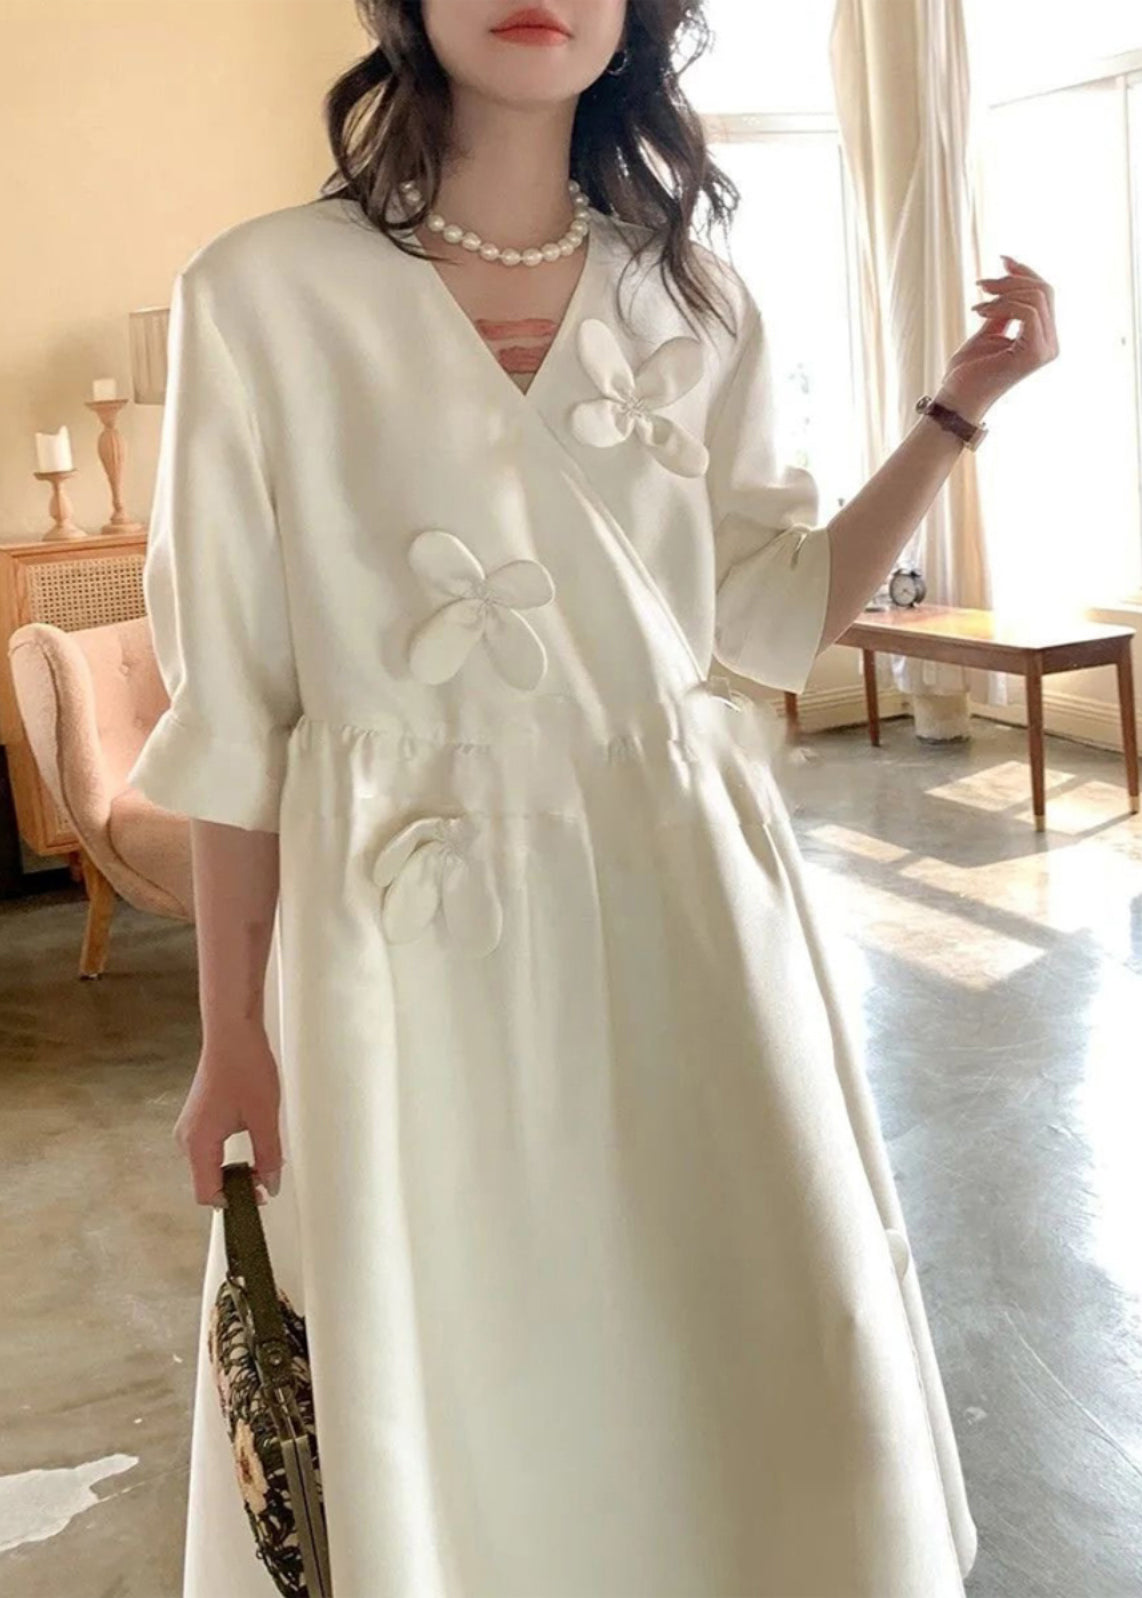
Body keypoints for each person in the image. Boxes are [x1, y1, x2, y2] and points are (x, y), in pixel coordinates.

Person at [126, 0, 1047, 1591]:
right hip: (398, 932)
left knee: (729, 1337)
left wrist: (957, 410)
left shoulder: (694, 296)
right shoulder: (260, 293)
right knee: (452, 1364)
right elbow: (237, 712)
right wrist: (229, 1036)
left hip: (683, 895)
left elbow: (770, 614)